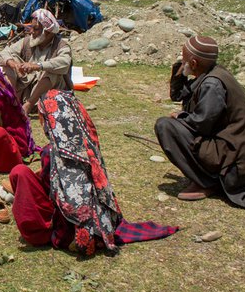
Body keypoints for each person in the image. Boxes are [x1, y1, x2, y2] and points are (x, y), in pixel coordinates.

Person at [10, 89, 178, 254]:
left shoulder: (52, 154)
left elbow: (51, 193)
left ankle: (48, 234)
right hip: (101, 223)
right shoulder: (88, 146)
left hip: (67, 228)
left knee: (20, 173)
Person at [154, 36, 245, 212]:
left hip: (232, 164)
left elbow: (201, 124)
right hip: (229, 153)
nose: (182, 61)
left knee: (165, 126)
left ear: (195, 63)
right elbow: (179, 95)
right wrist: (179, 74)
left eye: (184, 58)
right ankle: (207, 177)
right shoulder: (211, 73)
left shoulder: (212, 84)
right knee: (174, 125)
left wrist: (180, 117)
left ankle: (206, 182)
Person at [0, 8, 72, 113]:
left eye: (36, 29)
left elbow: (64, 63)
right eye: (31, 28)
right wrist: (14, 64)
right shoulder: (27, 41)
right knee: (8, 63)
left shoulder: (61, 45)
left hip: (47, 93)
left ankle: (28, 106)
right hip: (26, 88)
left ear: (48, 31)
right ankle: (10, 101)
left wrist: (38, 66)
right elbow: (4, 53)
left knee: (52, 71)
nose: (32, 32)